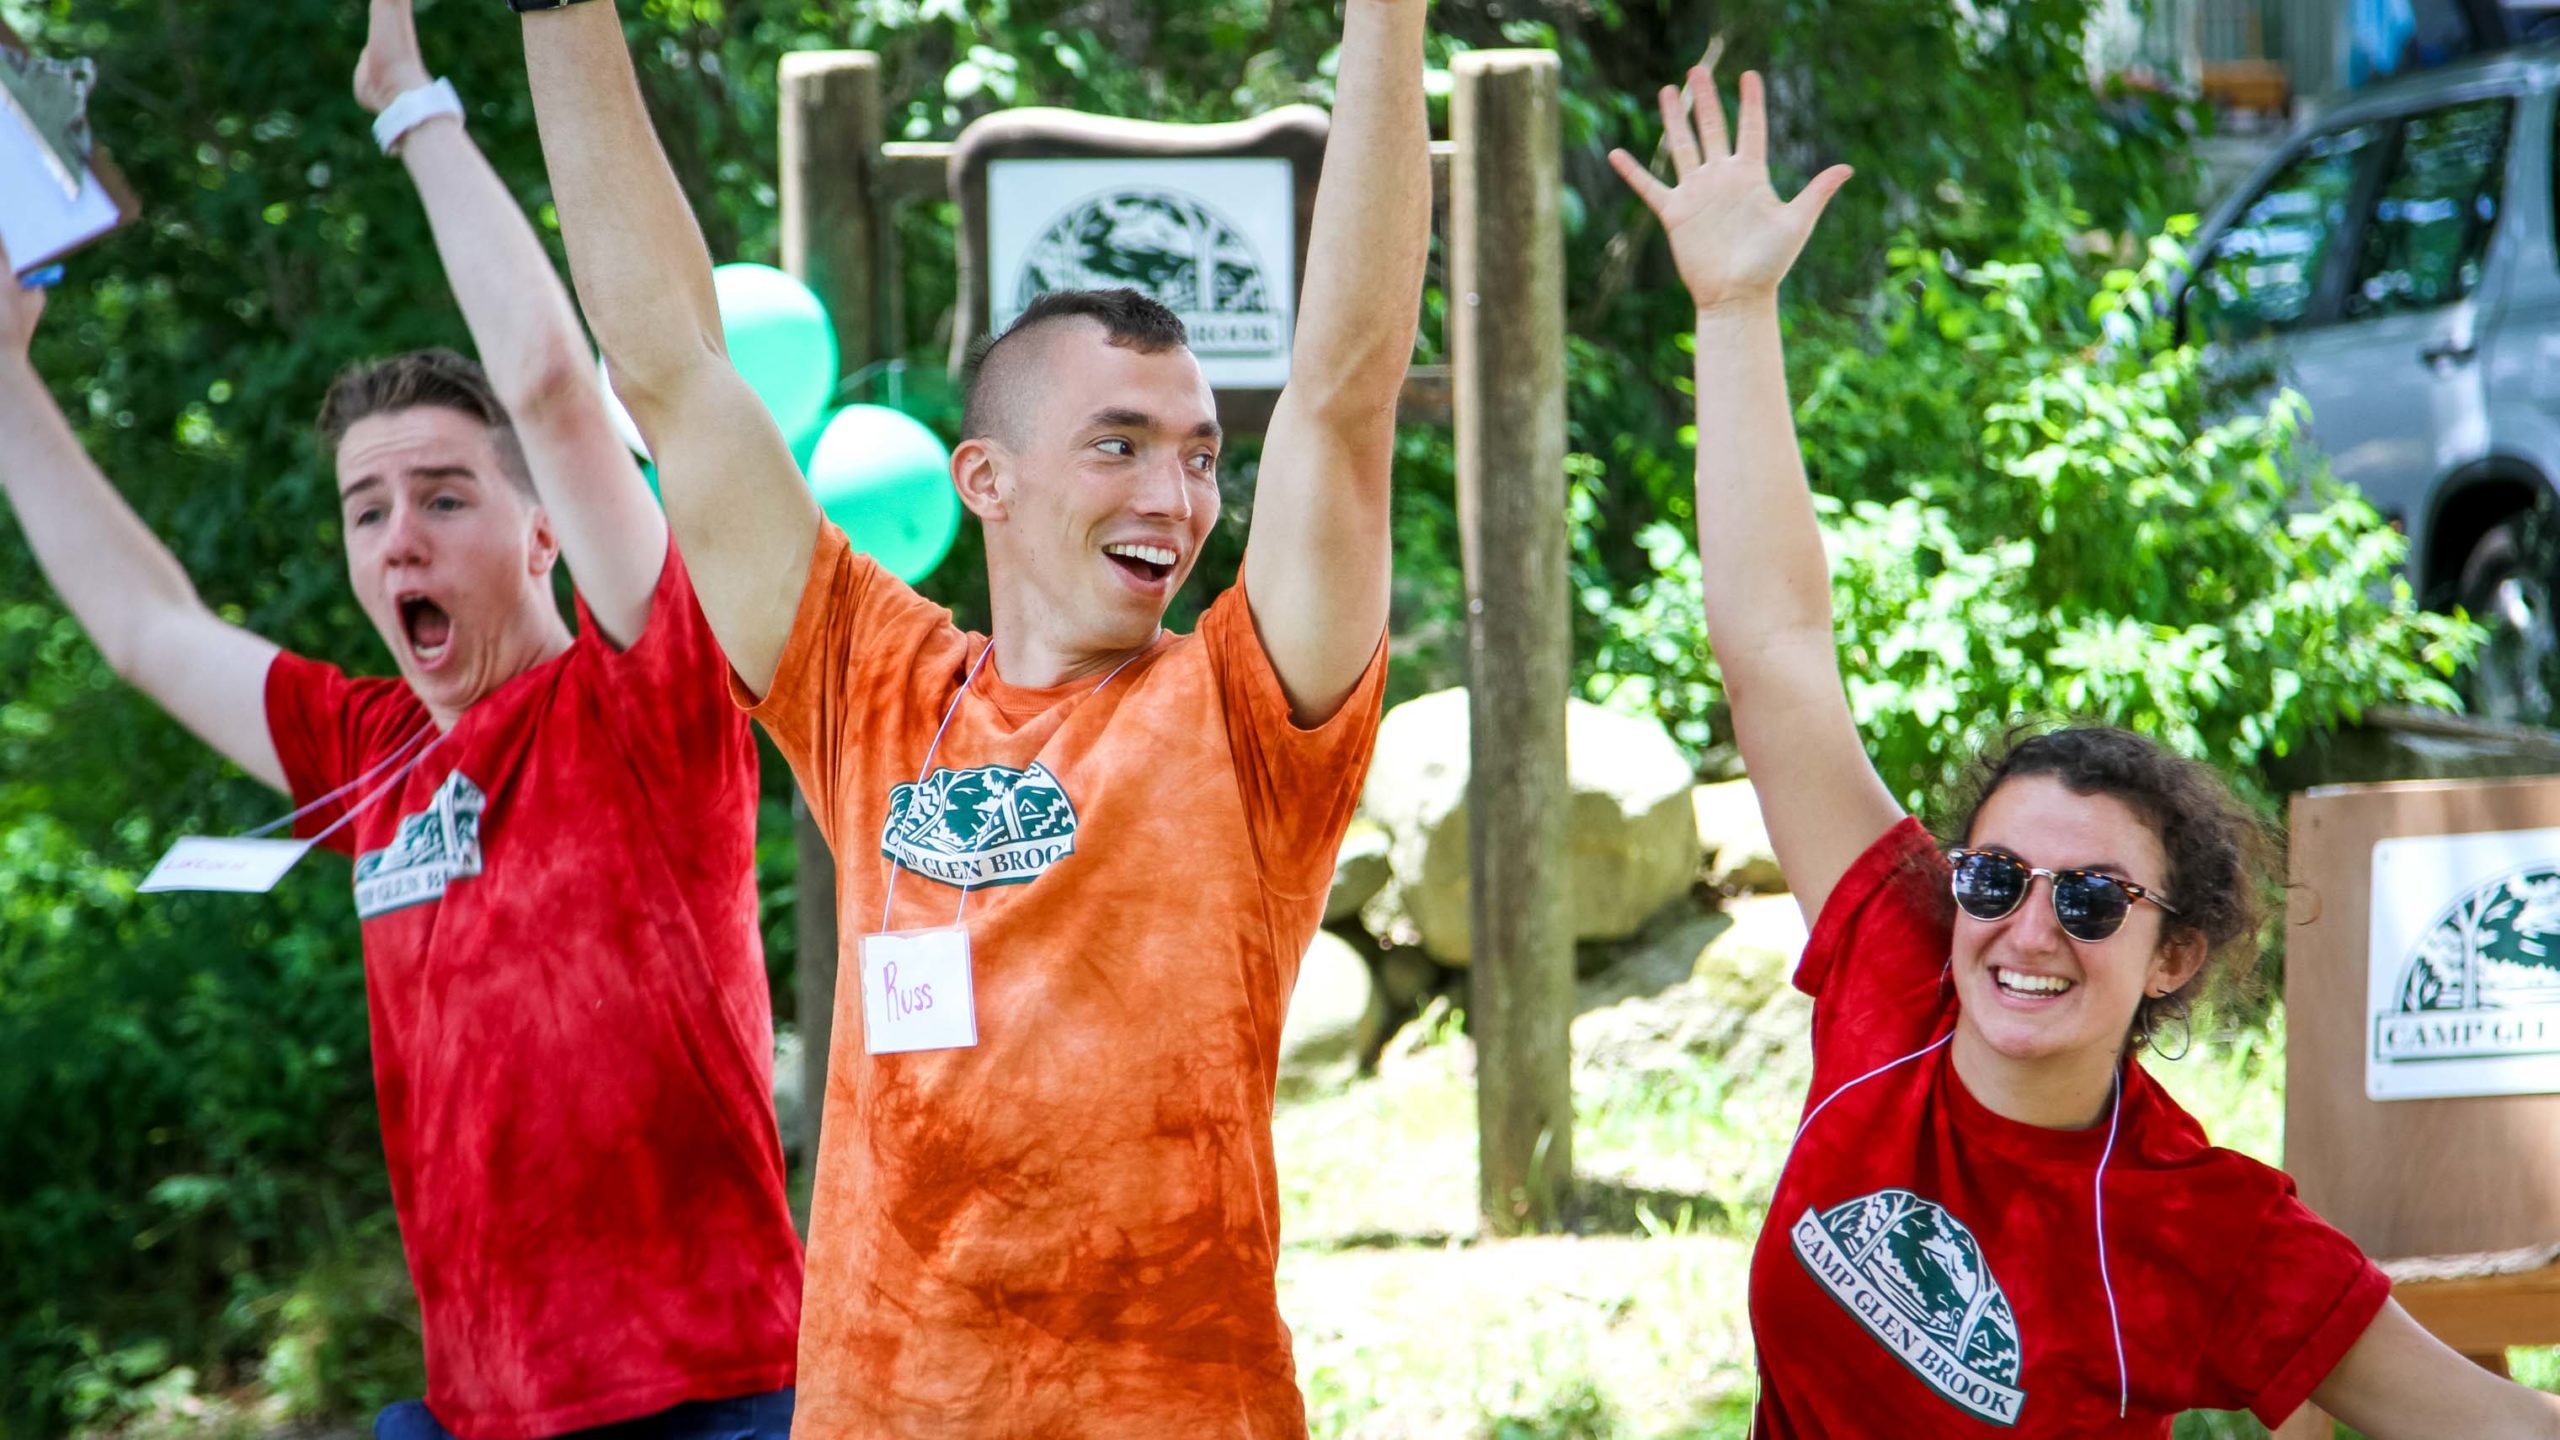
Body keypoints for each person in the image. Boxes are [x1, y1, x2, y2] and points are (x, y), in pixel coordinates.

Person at [512, 0, 1427, 1433]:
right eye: (1116, 445)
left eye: (1197, 455)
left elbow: (1346, 394)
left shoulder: (1251, 714)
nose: (1174, 497)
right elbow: (675, 373)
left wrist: (1388, 20)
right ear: (985, 482)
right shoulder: (871, 685)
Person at [1608, 64, 2560, 1439]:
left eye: (2094, 899)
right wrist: (1737, 308)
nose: (2027, 929)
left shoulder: (2206, 1227)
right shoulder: (1897, 974)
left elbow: (2493, 1424)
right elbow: (1775, 653)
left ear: (2172, 955)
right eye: (1995, 879)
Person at [0, 3, 802, 1436]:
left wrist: (410, 103)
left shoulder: (645, 680)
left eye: (444, 496)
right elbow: (143, 629)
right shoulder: (363, 751)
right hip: (474, 1412)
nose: (398, 539)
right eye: (367, 511)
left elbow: (557, 391)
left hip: (712, 1394)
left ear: (546, 534)